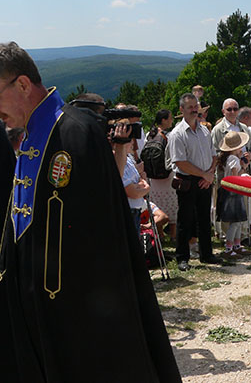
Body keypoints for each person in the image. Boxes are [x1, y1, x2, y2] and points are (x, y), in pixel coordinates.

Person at [0, 42, 181, 382]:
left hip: (74, 313)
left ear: (22, 84)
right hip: (37, 308)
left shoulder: (75, 132)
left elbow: (98, 238)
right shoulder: (30, 136)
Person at [169, 93, 220, 270]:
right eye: (189, 107)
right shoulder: (177, 134)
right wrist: (204, 175)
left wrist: (210, 173)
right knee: (185, 219)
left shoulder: (205, 130)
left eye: (195, 106)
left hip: (205, 179)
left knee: (205, 219)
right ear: (181, 110)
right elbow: (179, 161)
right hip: (188, 181)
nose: (193, 110)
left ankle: (207, 254)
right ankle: (182, 258)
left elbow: (214, 155)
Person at [216, 131, 251, 258]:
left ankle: (236, 245)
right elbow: (234, 175)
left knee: (238, 221)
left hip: (232, 191)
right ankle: (229, 248)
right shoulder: (233, 159)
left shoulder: (231, 158)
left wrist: (244, 166)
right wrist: (243, 168)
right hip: (232, 192)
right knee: (235, 221)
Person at [146, 109, 178, 239]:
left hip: (153, 178)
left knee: (157, 204)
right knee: (173, 205)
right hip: (167, 175)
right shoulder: (169, 136)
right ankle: (174, 234)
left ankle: (160, 234)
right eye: (170, 118)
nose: (172, 120)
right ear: (164, 120)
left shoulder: (150, 134)